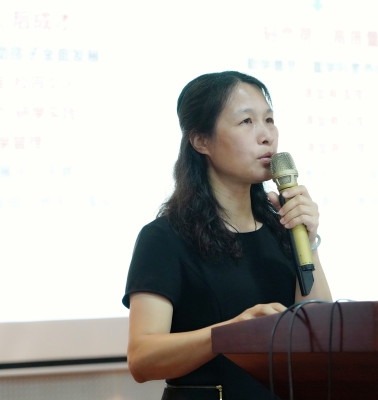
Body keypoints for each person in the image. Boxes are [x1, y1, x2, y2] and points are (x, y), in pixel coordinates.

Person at [122, 71, 332, 399]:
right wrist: (230, 334)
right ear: (201, 141)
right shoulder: (164, 238)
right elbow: (141, 359)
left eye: (269, 120)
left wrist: (309, 241)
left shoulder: (283, 227)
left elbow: (319, 334)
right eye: (246, 121)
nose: (266, 135)